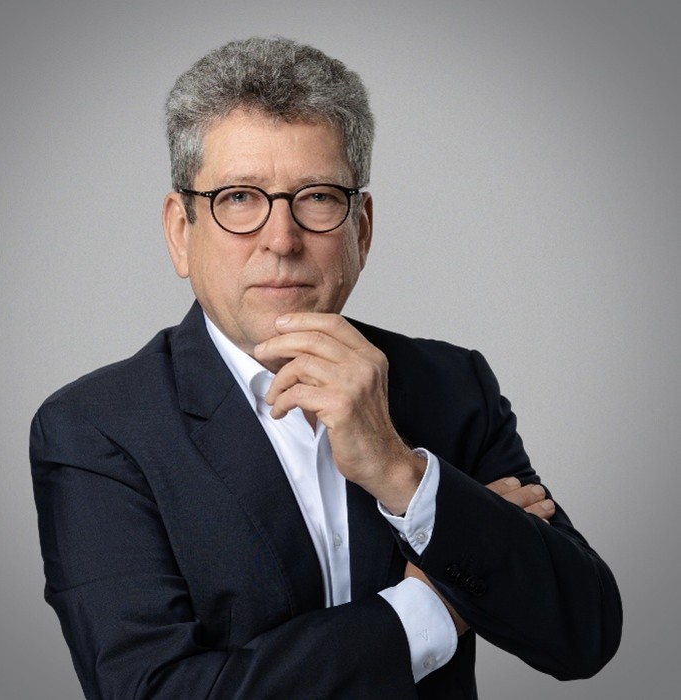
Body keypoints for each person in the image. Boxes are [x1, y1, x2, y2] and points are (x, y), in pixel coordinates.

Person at [30, 37, 622, 699]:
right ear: (181, 231)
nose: (281, 240)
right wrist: (426, 613)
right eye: (239, 198)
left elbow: (585, 634)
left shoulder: (453, 387)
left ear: (360, 230)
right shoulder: (95, 429)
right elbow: (155, 691)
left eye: (315, 198)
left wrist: (402, 474)